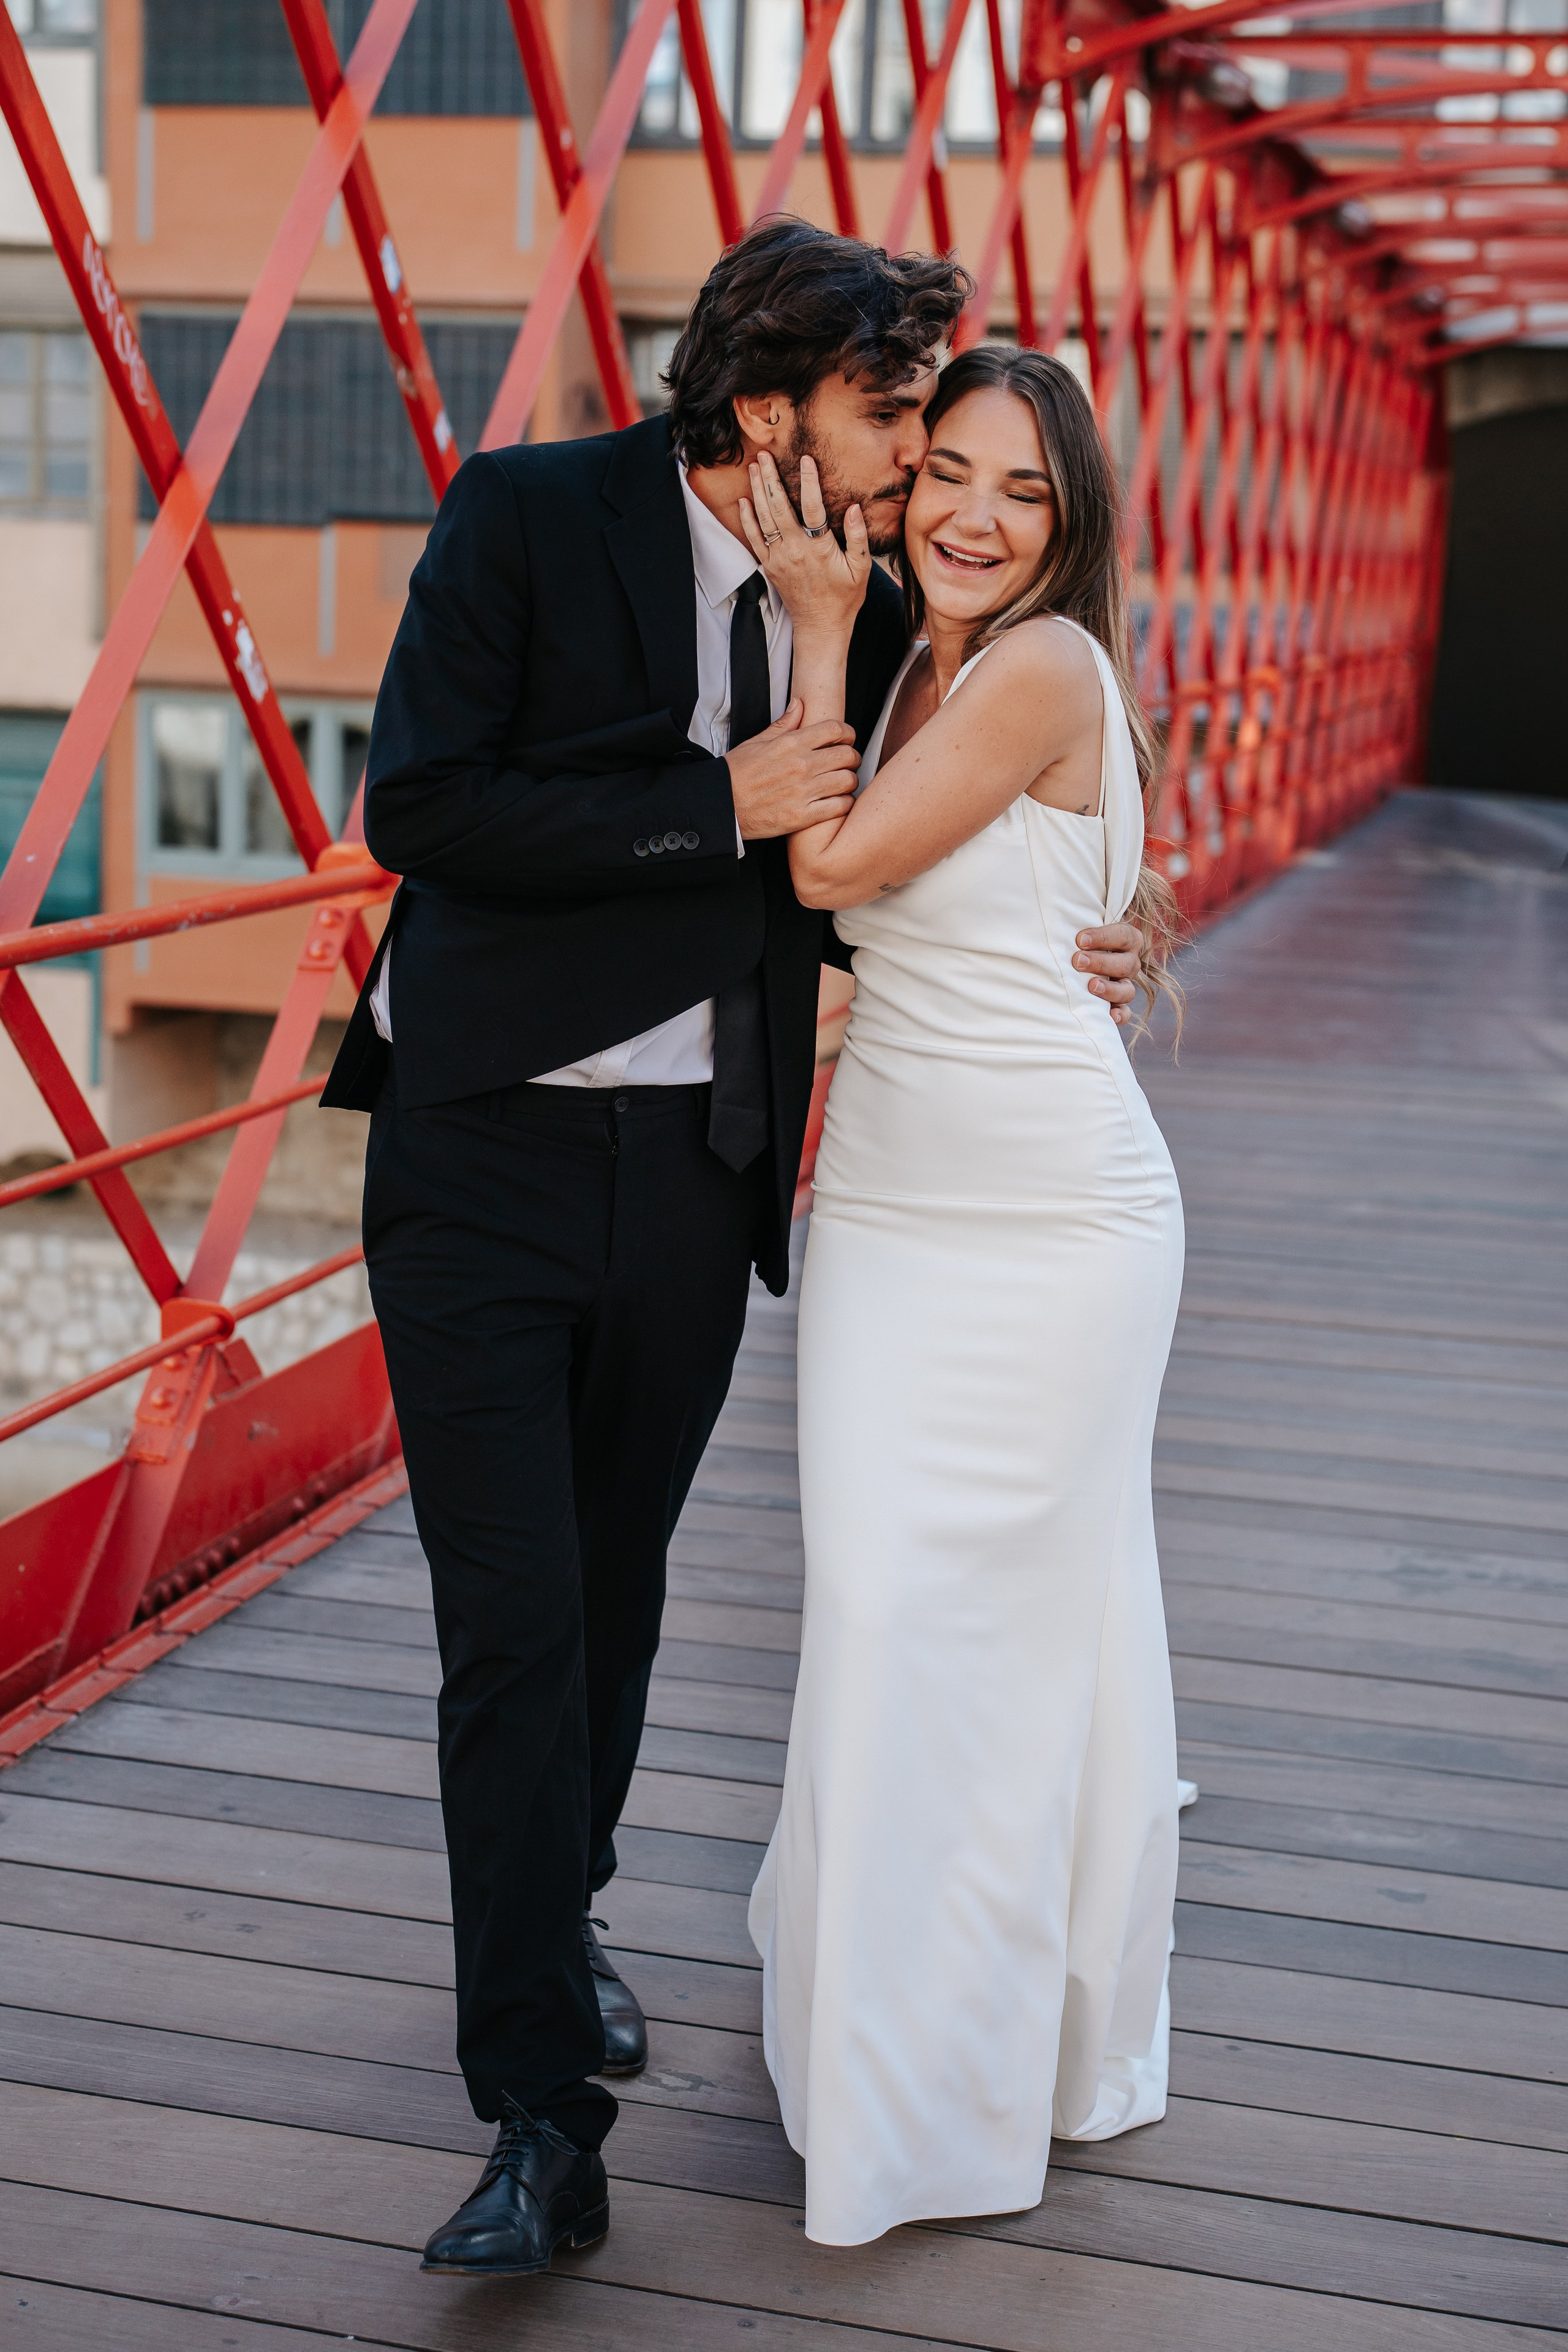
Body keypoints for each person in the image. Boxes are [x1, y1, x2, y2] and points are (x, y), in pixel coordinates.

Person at [320, 221, 1149, 2275]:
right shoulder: (526, 512)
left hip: (703, 1172)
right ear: (774, 407)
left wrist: (1112, 922)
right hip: (481, 1161)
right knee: (510, 1624)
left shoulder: (881, 605)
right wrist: (712, 804)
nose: (924, 471)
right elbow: (418, 803)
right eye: (896, 422)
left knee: (612, 1594)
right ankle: (534, 2112)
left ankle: (568, 1901)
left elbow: (1016, 771)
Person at [742, 344, 1188, 2245]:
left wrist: (822, 622)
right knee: (903, 1623)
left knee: (986, 1643)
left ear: (1071, 518)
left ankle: (951, 2097)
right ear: (899, 484)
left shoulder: (1034, 668)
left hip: (1058, 1226)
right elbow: (987, 907)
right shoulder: (944, 665)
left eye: (1021, 489)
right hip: (895, 1211)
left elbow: (827, 851)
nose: (977, 516)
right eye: (942, 475)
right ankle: (965, 2050)